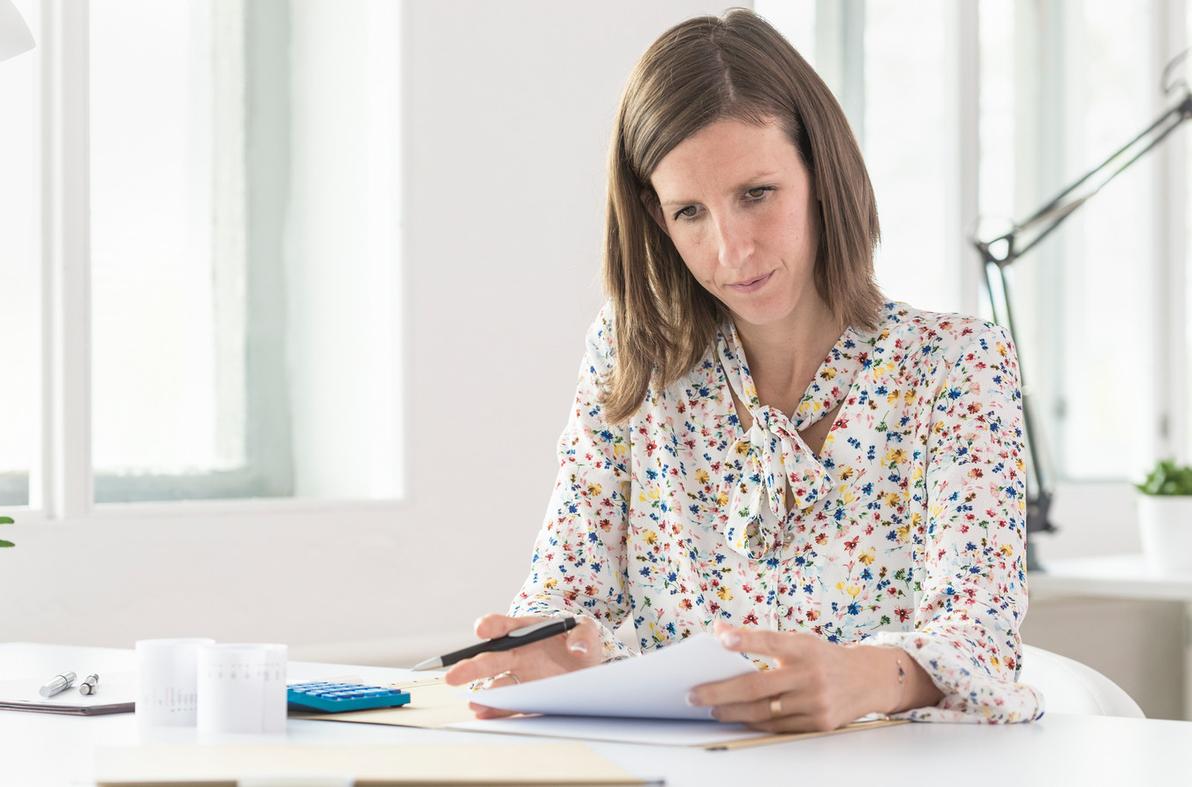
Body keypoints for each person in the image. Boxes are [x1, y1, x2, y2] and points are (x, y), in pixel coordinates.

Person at [443, 9, 1043, 731]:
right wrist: (552, 650)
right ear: (655, 217)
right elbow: (566, 593)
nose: (731, 251)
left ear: (821, 174)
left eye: (756, 194)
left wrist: (865, 677)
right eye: (689, 211)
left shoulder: (954, 367)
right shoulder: (636, 356)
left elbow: (980, 637)